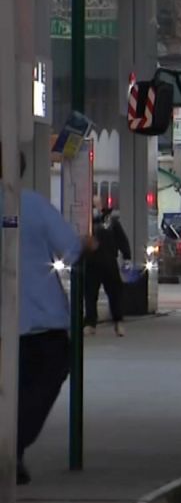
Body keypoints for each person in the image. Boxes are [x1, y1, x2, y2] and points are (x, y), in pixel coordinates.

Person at [0, 148, 96, 485]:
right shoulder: (33, 205)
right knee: (40, 385)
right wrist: (86, 244)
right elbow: (69, 248)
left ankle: (14, 453)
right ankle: (11, 449)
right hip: (41, 323)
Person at [85, 202, 131, 337]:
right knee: (90, 294)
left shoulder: (112, 222)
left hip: (109, 262)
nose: (95, 208)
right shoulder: (85, 223)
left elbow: (122, 239)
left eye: (96, 205)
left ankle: (118, 321)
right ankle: (90, 323)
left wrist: (126, 256)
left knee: (114, 293)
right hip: (90, 262)